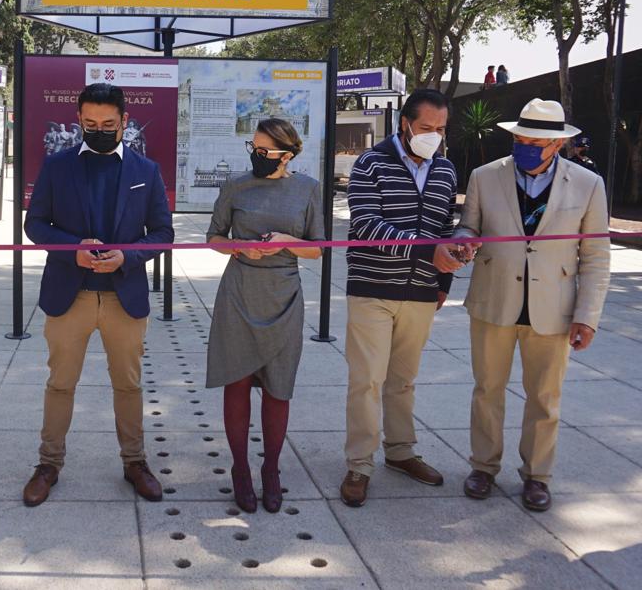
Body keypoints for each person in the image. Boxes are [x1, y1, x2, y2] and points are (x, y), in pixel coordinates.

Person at [22, 82, 174, 507]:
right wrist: (76, 251)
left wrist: (127, 255)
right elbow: (35, 226)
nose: (99, 130)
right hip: (70, 295)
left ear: (125, 121)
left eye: (108, 124)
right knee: (60, 384)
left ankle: (135, 462)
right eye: (90, 123)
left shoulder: (147, 171)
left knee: (128, 385)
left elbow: (163, 234)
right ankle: (48, 464)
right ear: (79, 121)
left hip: (124, 298)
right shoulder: (57, 167)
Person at [455, 98, 610, 512]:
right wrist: (463, 240)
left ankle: (537, 476)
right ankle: (483, 467)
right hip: (494, 300)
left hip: (553, 308)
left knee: (544, 397)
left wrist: (587, 317)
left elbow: (595, 256)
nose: (523, 145)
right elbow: (469, 224)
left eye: (533, 141)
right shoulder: (485, 177)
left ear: (555, 145)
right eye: (519, 138)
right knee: (487, 390)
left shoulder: (587, 185)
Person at [341, 88, 462, 507]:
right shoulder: (370, 164)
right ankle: (359, 463)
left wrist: (444, 280)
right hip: (373, 290)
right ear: (405, 124)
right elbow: (367, 224)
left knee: (403, 381)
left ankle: (401, 452)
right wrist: (429, 251)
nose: (434, 136)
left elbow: (446, 225)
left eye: (441, 129)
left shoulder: (445, 170)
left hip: (422, 292)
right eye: (426, 128)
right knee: (367, 380)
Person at [206, 118, 324, 513]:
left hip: (284, 293)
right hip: (239, 291)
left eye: (264, 151)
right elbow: (214, 238)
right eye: (252, 149)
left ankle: (271, 469)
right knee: (236, 382)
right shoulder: (235, 186)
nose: (255, 156)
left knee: (278, 387)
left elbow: (318, 248)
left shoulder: (307, 188)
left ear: (286, 155)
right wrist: (238, 246)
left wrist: (288, 243)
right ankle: (240, 469)